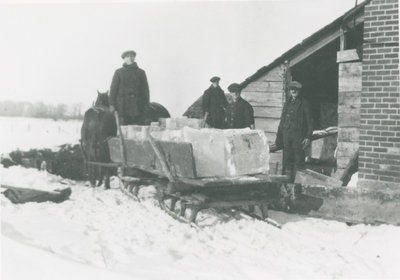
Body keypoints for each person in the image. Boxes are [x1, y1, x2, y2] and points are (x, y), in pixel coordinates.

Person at [275, 81, 313, 182]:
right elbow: (282, 121)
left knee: (299, 161)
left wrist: (308, 137)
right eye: (291, 90)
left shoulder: (304, 103)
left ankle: (300, 185)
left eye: (295, 90)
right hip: (287, 136)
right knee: (287, 160)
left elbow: (310, 121)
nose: (293, 91)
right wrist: (279, 138)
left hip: (298, 137)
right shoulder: (287, 103)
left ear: (299, 91)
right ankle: (288, 184)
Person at [109, 50, 149, 125]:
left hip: (138, 107)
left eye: (132, 56)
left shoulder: (141, 73)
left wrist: (146, 106)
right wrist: (112, 104)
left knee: (137, 130)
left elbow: (145, 91)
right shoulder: (119, 72)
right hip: (122, 108)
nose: (130, 58)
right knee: (123, 130)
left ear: (134, 58)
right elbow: (113, 89)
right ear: (124, 59)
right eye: (127, 56)